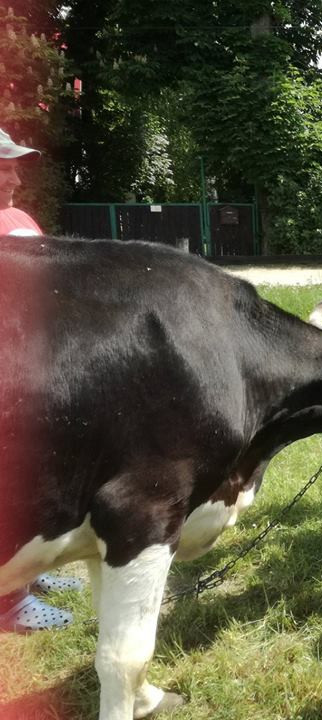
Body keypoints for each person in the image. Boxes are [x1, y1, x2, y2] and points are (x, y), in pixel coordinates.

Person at [0, 128, 83, 634]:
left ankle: (31, 575)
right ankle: (8, 604)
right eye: (1, 167)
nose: (11, 175)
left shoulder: (20, 218)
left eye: (12, 166)